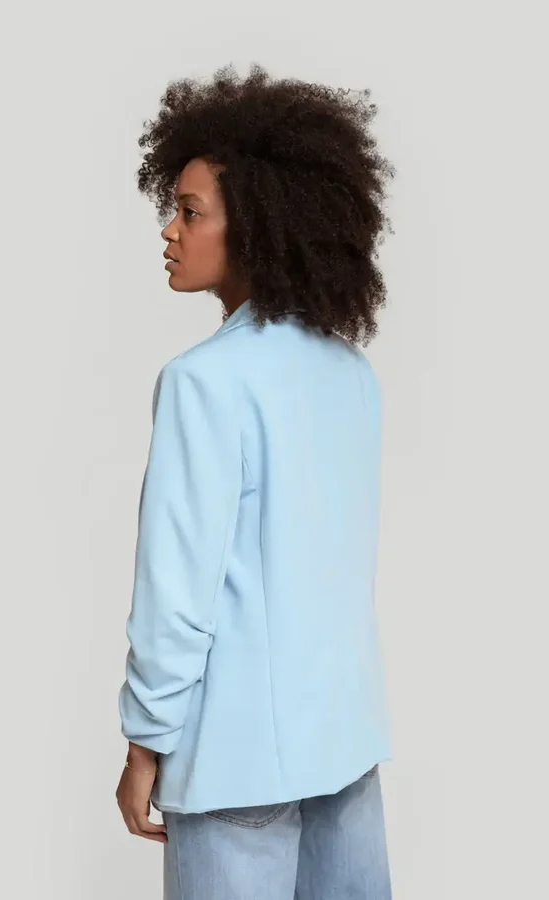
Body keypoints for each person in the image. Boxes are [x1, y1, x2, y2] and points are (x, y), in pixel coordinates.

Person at [116, 63, 395, 899]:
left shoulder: (203, 382)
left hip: (238, 763)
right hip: (344, 745)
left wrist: (144, 740)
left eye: (190, 212)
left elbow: (177, 591)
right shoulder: (350, 373)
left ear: (259, 227)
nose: (169, 231)